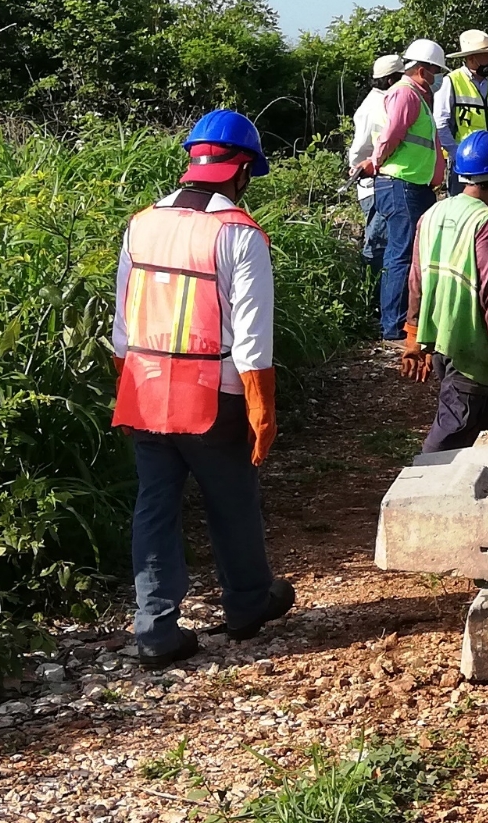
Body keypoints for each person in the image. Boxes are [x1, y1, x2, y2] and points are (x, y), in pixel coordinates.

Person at [111, 110, 296, 669]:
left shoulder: (140, 224)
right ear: (242, 171)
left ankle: (155, 629)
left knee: (154, 506)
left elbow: (123, 328)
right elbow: (252, 342)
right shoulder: (238, 232)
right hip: (212, 396)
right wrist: (262, 413)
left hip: (143, 387)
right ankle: (245, 604)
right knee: (231, 500)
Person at [402, 132, 488, 453]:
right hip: (470, 349)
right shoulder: (487, 221)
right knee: (447, 439)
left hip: (441, 341)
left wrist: (414, 333)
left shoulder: (432, 214)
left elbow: (415, 276)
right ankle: (418, 491)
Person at [364, 39, 450, 341]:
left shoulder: (416, 95)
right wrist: (376, 161)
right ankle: (394, 324)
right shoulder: (405, 94)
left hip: (412, 185)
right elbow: (391, 136)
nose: (437, 76)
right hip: (401, 184)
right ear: (423, 69)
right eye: (435, 70)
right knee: (400, 255)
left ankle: (405, 320)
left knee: (407, 254)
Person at [347, 54, 404, 270]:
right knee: (377, 242)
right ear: (391, 80)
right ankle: (371, 295)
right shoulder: (374, 106)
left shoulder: (384, 101)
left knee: (384, 240)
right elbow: (360, 150)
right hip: (373, 186)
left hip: (383, 183)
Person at [435, 30, 488, 195]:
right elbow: (440, 123)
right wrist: (456, 154)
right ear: (471, 59)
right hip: (464, 165)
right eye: (487, 56)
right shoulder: (452, 81)